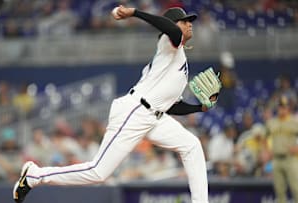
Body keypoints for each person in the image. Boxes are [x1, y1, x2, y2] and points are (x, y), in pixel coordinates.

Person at [13, 5, 220, 203]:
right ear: (173, 25)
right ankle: (34, 175)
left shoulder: (177, 57)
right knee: (98, 172)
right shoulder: (168, 41)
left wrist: (198, 108)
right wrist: (135, 13)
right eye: (185, 21)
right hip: (135, 111)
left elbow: (172, 105)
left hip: (155, 116)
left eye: (190, 21)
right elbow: (169, 29)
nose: (190, 24)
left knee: (191, 145)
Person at [266, 96, 298, 203]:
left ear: (288, 108)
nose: (282, 109)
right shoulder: (272, 122)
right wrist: (267, 150)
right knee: (279, 191)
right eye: (280, 107)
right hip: (276, 159)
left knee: (296, 189)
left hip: (291, 159)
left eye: (284, 107)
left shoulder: (294, 121)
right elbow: (265, 138)